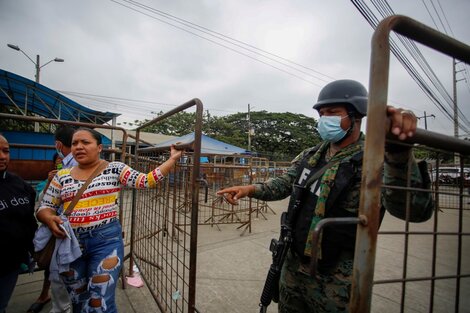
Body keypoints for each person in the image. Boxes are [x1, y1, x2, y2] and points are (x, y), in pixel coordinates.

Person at [217, 79, 434, 312]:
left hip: (337, 279)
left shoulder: (376, 159)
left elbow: (414, 211)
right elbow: (286, 183)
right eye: (322, 113)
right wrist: (249, 190)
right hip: (293, 265)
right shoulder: (312, 155)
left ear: (356, 116)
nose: (324, 119)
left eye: (332, 112)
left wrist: (398, 153)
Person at [36, 127, 183, 313]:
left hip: (105, 242)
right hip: (70, 243)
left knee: (100, 302)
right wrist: (50, 219)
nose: (79, 147)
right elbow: (44, 208)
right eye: (74, 143)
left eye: (85, 142)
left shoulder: (115, 168)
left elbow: (146, 180)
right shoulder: (61, 176)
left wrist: (172, 159)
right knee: (78, 300)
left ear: (99, 147)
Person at [0, 134, 38, 313]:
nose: (2, 156)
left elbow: (29, 219)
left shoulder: (19, 184)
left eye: (5, 151)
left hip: (11, 263)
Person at [27, 153, 63, 313]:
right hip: (54, 230)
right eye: (59, 163)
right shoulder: (45, 183)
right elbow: (40, 205)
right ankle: (44, 295)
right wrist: (50, 183)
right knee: (51, 265)